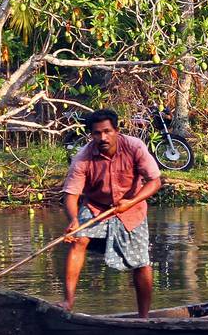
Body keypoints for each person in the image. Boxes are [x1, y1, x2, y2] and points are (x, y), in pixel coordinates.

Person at [63, 108, 162, 316]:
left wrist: (131, 201)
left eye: (107, 131)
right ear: (91, 135)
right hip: (96, 206)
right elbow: (71, 195)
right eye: (97, 133)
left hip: (131, 208)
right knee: (78, 239)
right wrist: (74, 221)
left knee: (142, 261)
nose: (103, 137)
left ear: (116, 130)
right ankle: (68, 302)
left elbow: (155, 181)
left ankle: (143, 317)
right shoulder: (83, 157)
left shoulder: (134, 147)